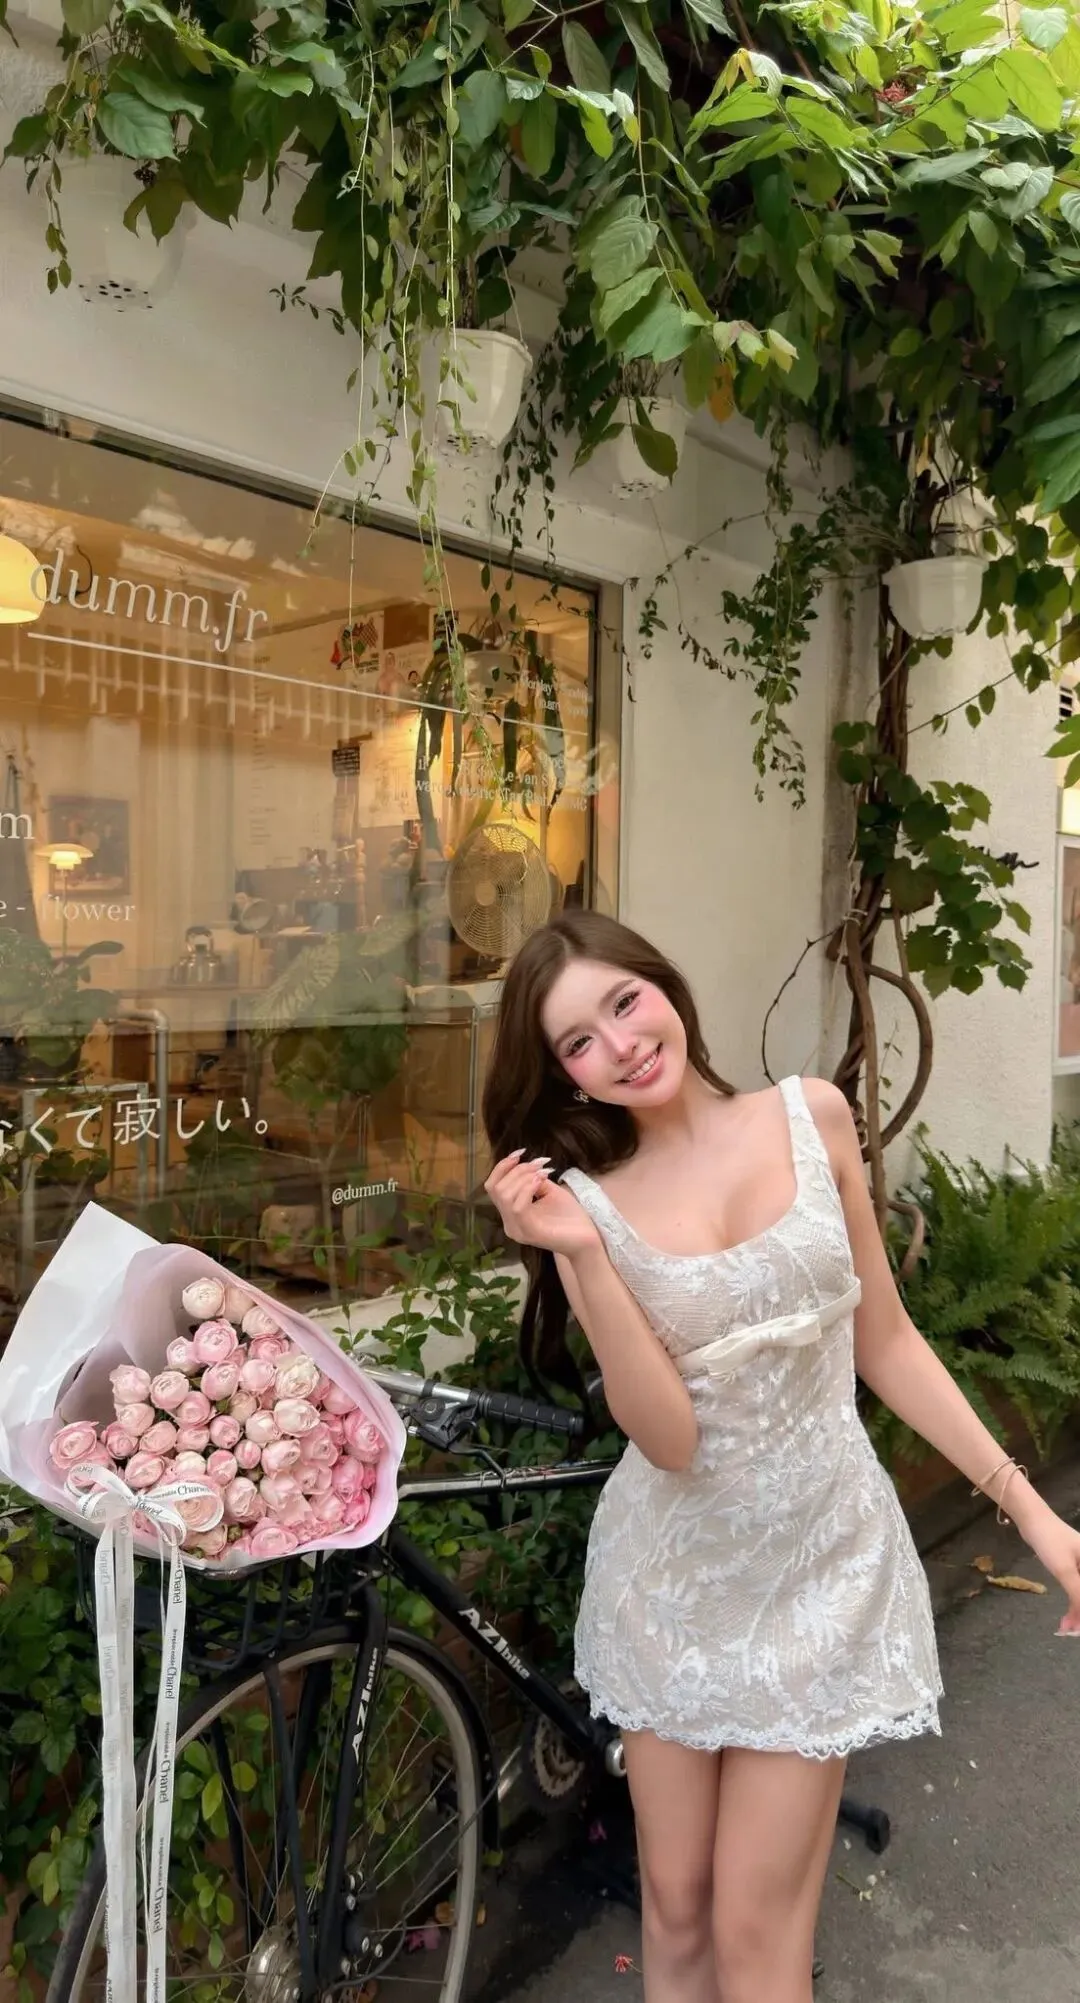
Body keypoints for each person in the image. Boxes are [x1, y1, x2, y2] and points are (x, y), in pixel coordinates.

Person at [481, 911, 1080, 2003]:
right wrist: (585, 1259)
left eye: (625, 1002)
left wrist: (1034, 1513)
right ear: (564, 1075)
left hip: (821, 1568)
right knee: (675, 1912)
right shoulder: (587, 1209)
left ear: (665, 986)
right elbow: (668, 1438)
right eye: (579, 1041)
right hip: (675, 1582)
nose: (620, 1044)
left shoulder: (812, 1115)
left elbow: (885, 1339)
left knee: (758, 1938)